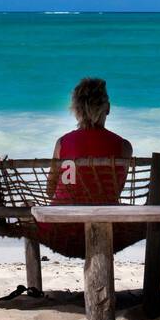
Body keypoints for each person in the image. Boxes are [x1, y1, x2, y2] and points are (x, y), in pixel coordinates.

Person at [37, 77, 135, 259]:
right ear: (108, 108)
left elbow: (50, 190)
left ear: (76, 111)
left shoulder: (62, 144)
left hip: (61, 226)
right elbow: (115, 191)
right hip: (107, 223)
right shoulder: (123, 147)